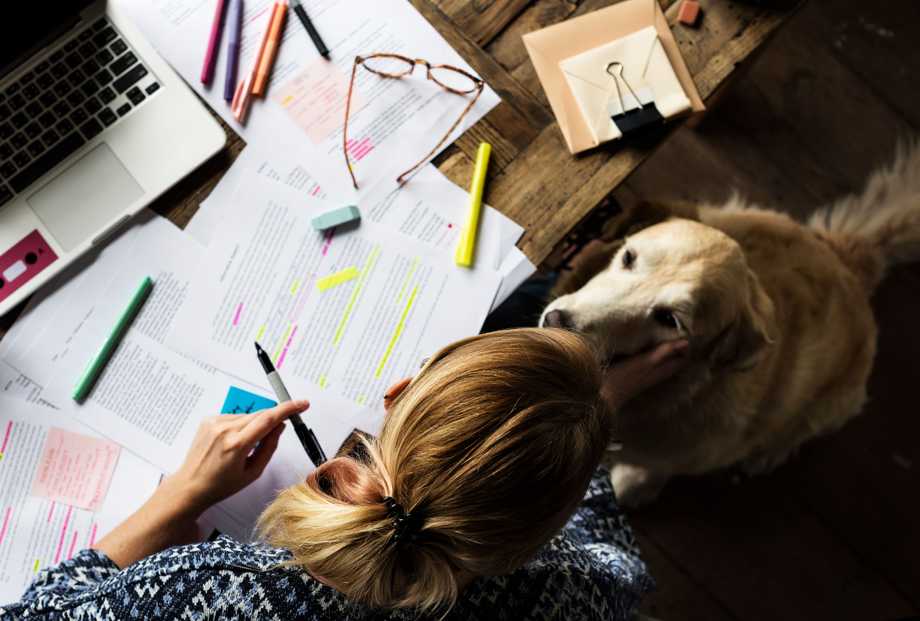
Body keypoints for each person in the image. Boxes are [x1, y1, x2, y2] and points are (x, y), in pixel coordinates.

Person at [1, 328, 687, 620]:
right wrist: (593, 420)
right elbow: (618, 562)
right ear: (527, 538)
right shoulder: (575, 589)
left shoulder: (206, 591)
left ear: (397, 392)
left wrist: (181, 495)